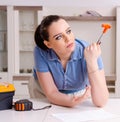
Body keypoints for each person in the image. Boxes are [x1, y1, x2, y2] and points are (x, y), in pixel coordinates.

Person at [33, 15, 109, 108]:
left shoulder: (90, 52)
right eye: (58, 37)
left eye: (68, 31)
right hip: (44, 92)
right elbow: (51, 93)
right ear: (48, 44)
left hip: (78, 92)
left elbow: (101, 102)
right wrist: (71, 102)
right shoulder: (40, 51)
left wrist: (92, 61)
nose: (68, 39)